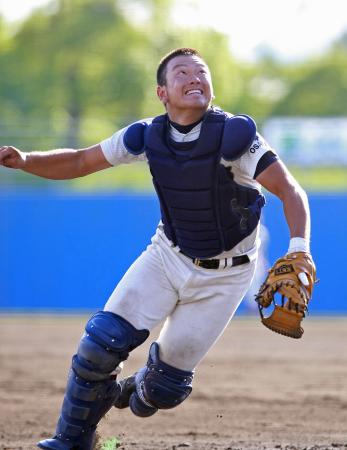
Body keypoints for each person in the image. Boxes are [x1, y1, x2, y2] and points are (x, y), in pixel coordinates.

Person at [0, 48, 314, 450]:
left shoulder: (235, 136)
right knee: (100, 345)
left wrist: (300, 248)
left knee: (163, 392)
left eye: (202, 72)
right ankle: (73, 440)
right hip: (167, 254)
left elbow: (289, 190)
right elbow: (80, 162)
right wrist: (26, 160)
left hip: (227, 274)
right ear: (162, 92)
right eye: (182, 73)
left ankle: (141, 385)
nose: (195, 78)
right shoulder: (146, 134)